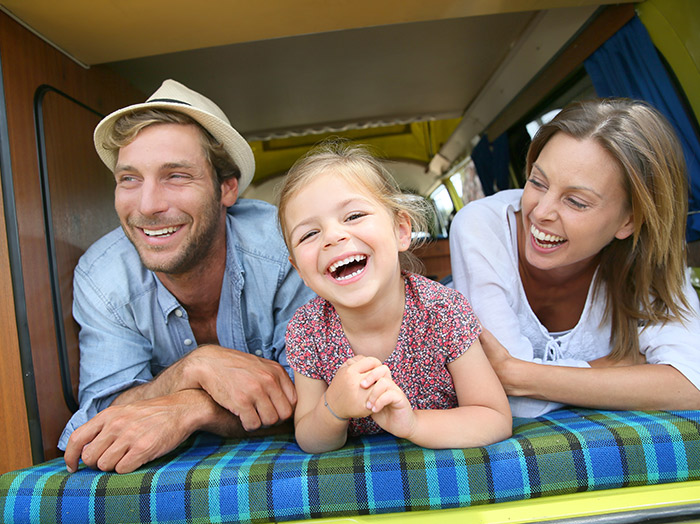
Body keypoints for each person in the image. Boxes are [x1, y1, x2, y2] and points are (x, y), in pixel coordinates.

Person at [60, 79, 315, 473]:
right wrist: (195, 367)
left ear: (226, 188)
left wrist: (191, 407)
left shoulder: (287, 250)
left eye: (176, 176)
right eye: (129, 179)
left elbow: (321, 397)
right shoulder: (102, 277)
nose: (147, 206)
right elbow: (100, 420)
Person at [450, 98, 700, 417]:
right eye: (537, 182)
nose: (539, 213)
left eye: (576, 202)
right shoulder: (480, 227)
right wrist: (622, 364)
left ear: (629, 221)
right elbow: (510, 401)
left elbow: (691, 383)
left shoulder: (654, 253)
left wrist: (517, 375)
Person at [277, 141, 512, 453]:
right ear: (300, 271)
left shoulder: (443, 311)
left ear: (401, 230)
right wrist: (333, 407)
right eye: (309, 234)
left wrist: (413, 424)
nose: (333, 237)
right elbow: (308, 438)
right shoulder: (307, 331)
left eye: (354, 215)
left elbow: (494, 418)